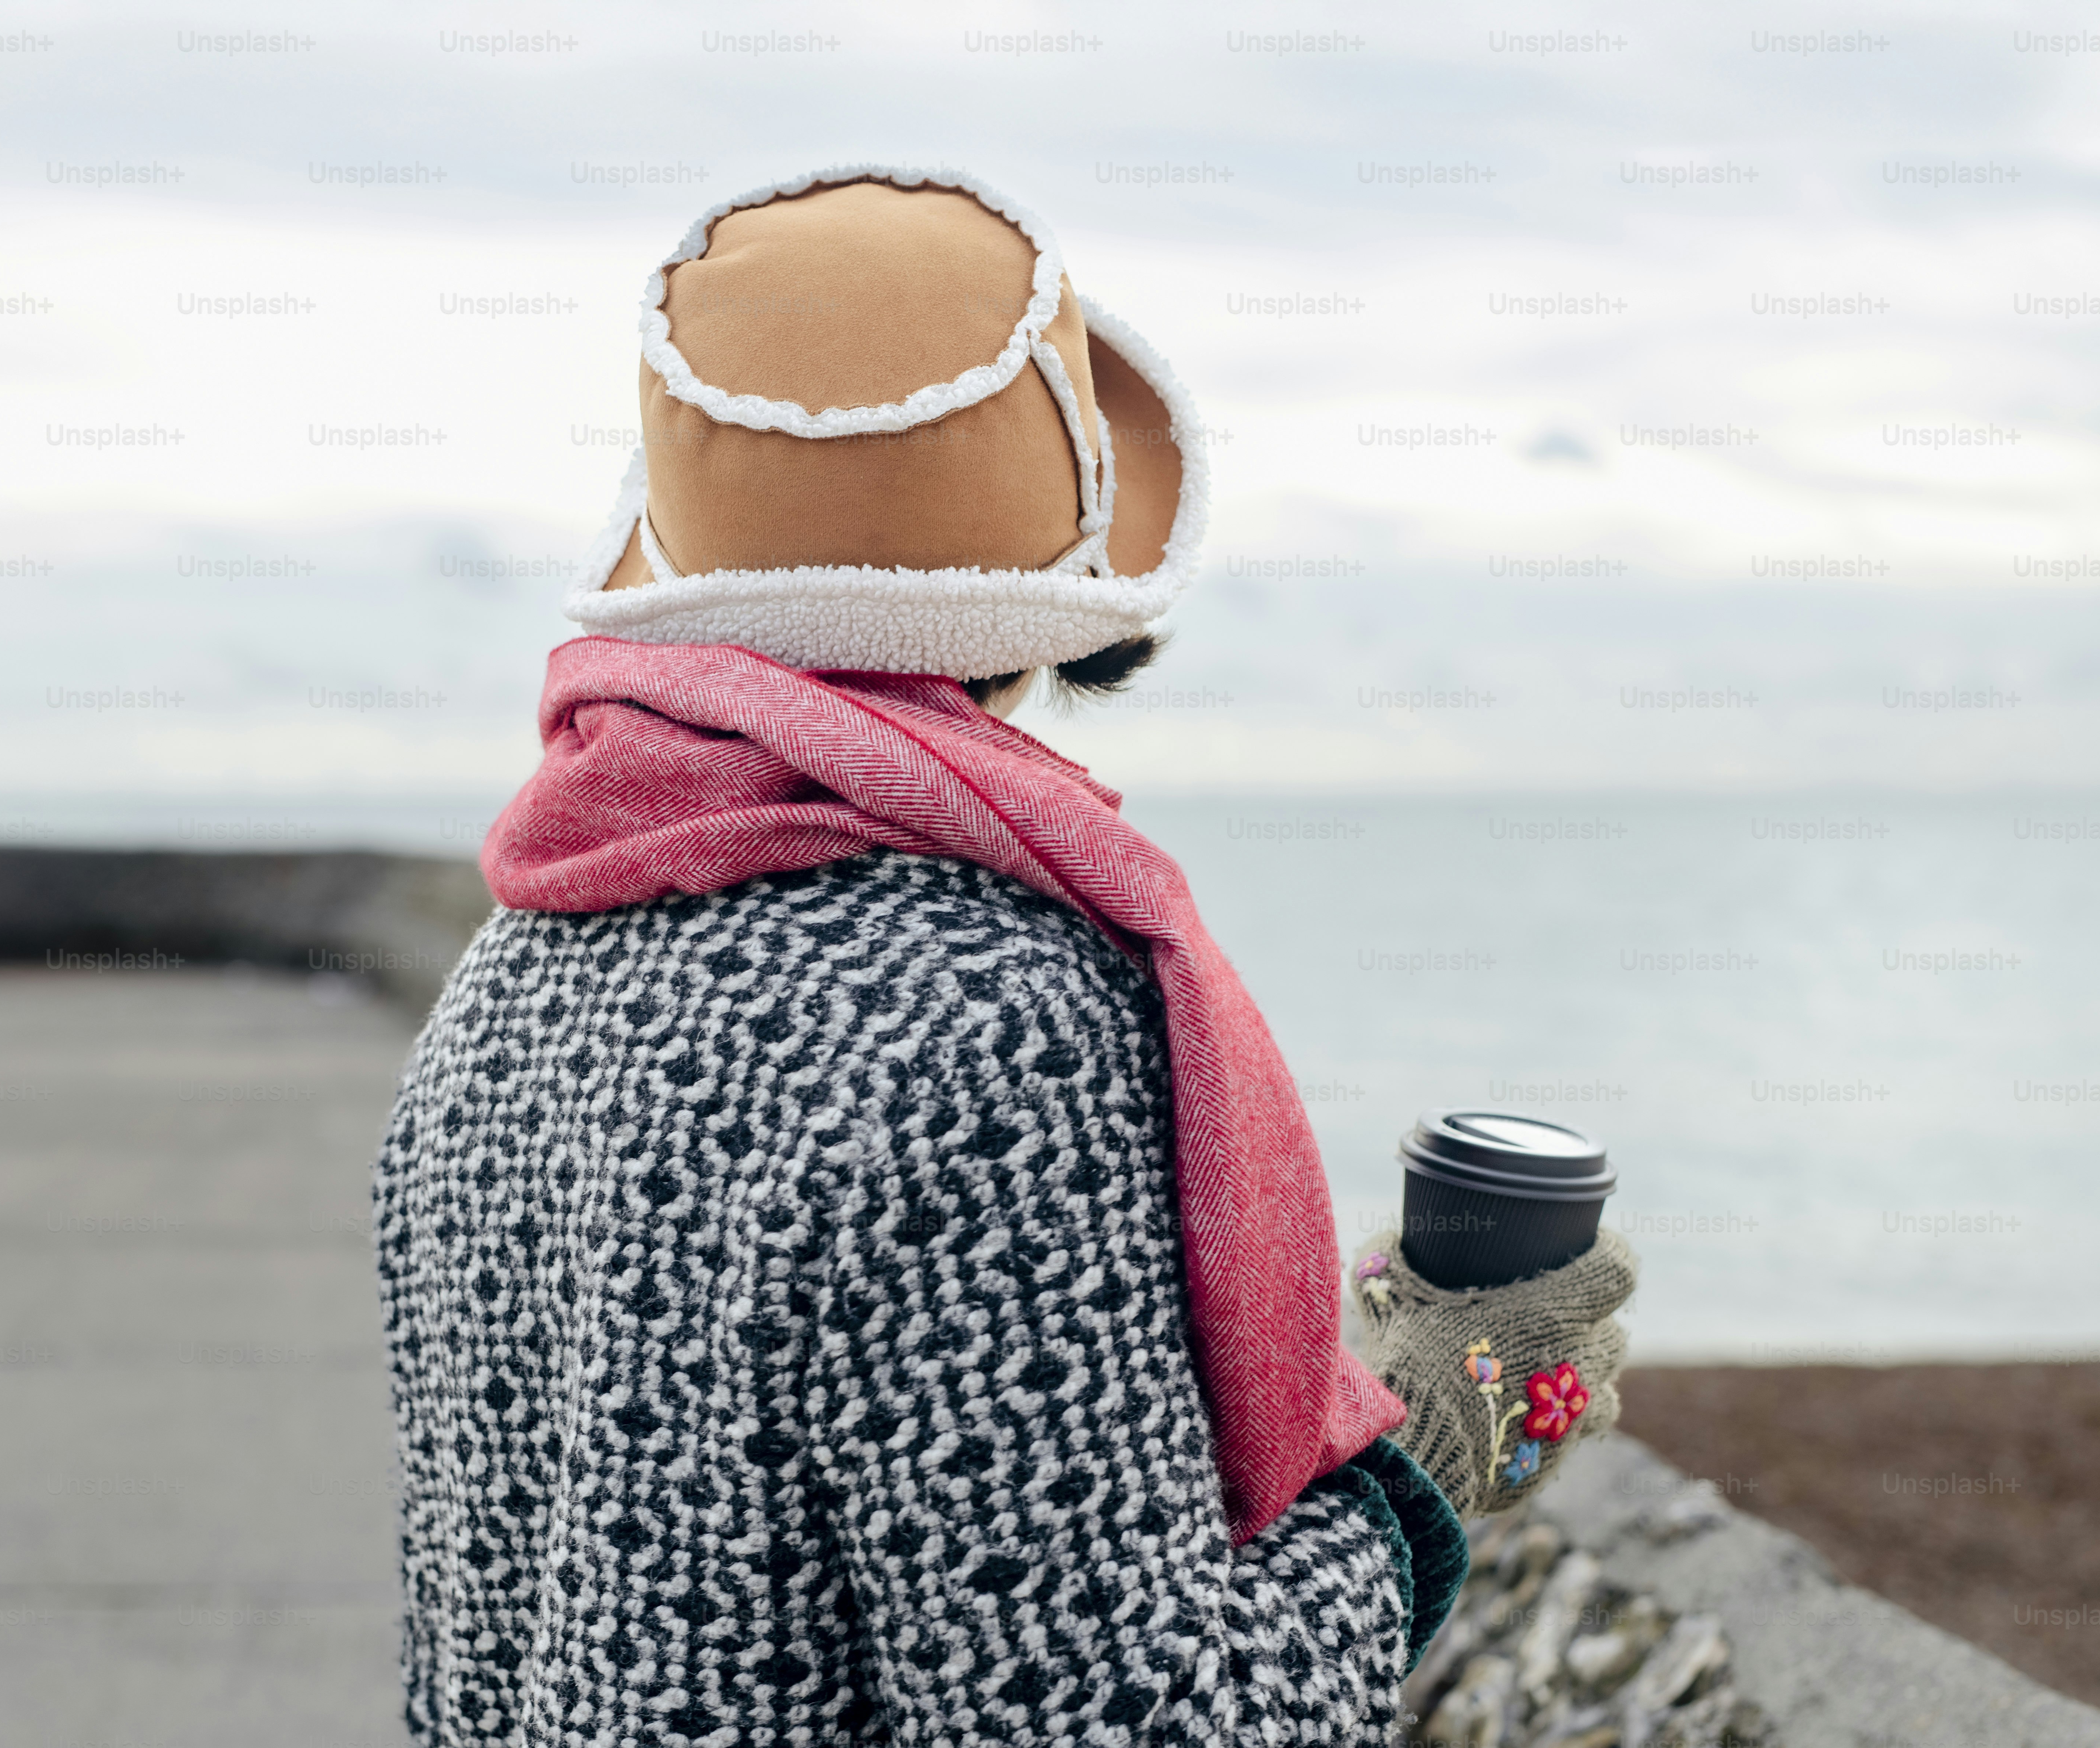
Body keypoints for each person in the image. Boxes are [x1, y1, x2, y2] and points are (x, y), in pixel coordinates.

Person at [372, 166, 1635, 1747]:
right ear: (1057, 593)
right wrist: (1433, 1437)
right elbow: (1118, 1715)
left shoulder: (530, 947)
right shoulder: (997, 1022)